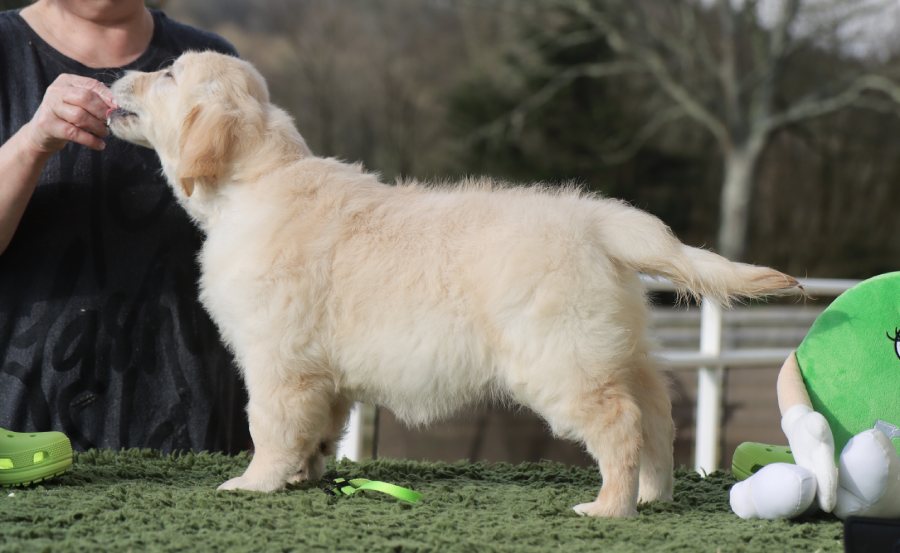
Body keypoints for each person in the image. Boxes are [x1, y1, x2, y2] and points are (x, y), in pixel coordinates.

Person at [0, 0, 249, 453]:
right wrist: (33, 140)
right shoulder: (7, 52)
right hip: (25, 436)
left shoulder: (211, 65)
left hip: (198, 436)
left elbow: (255, 238)